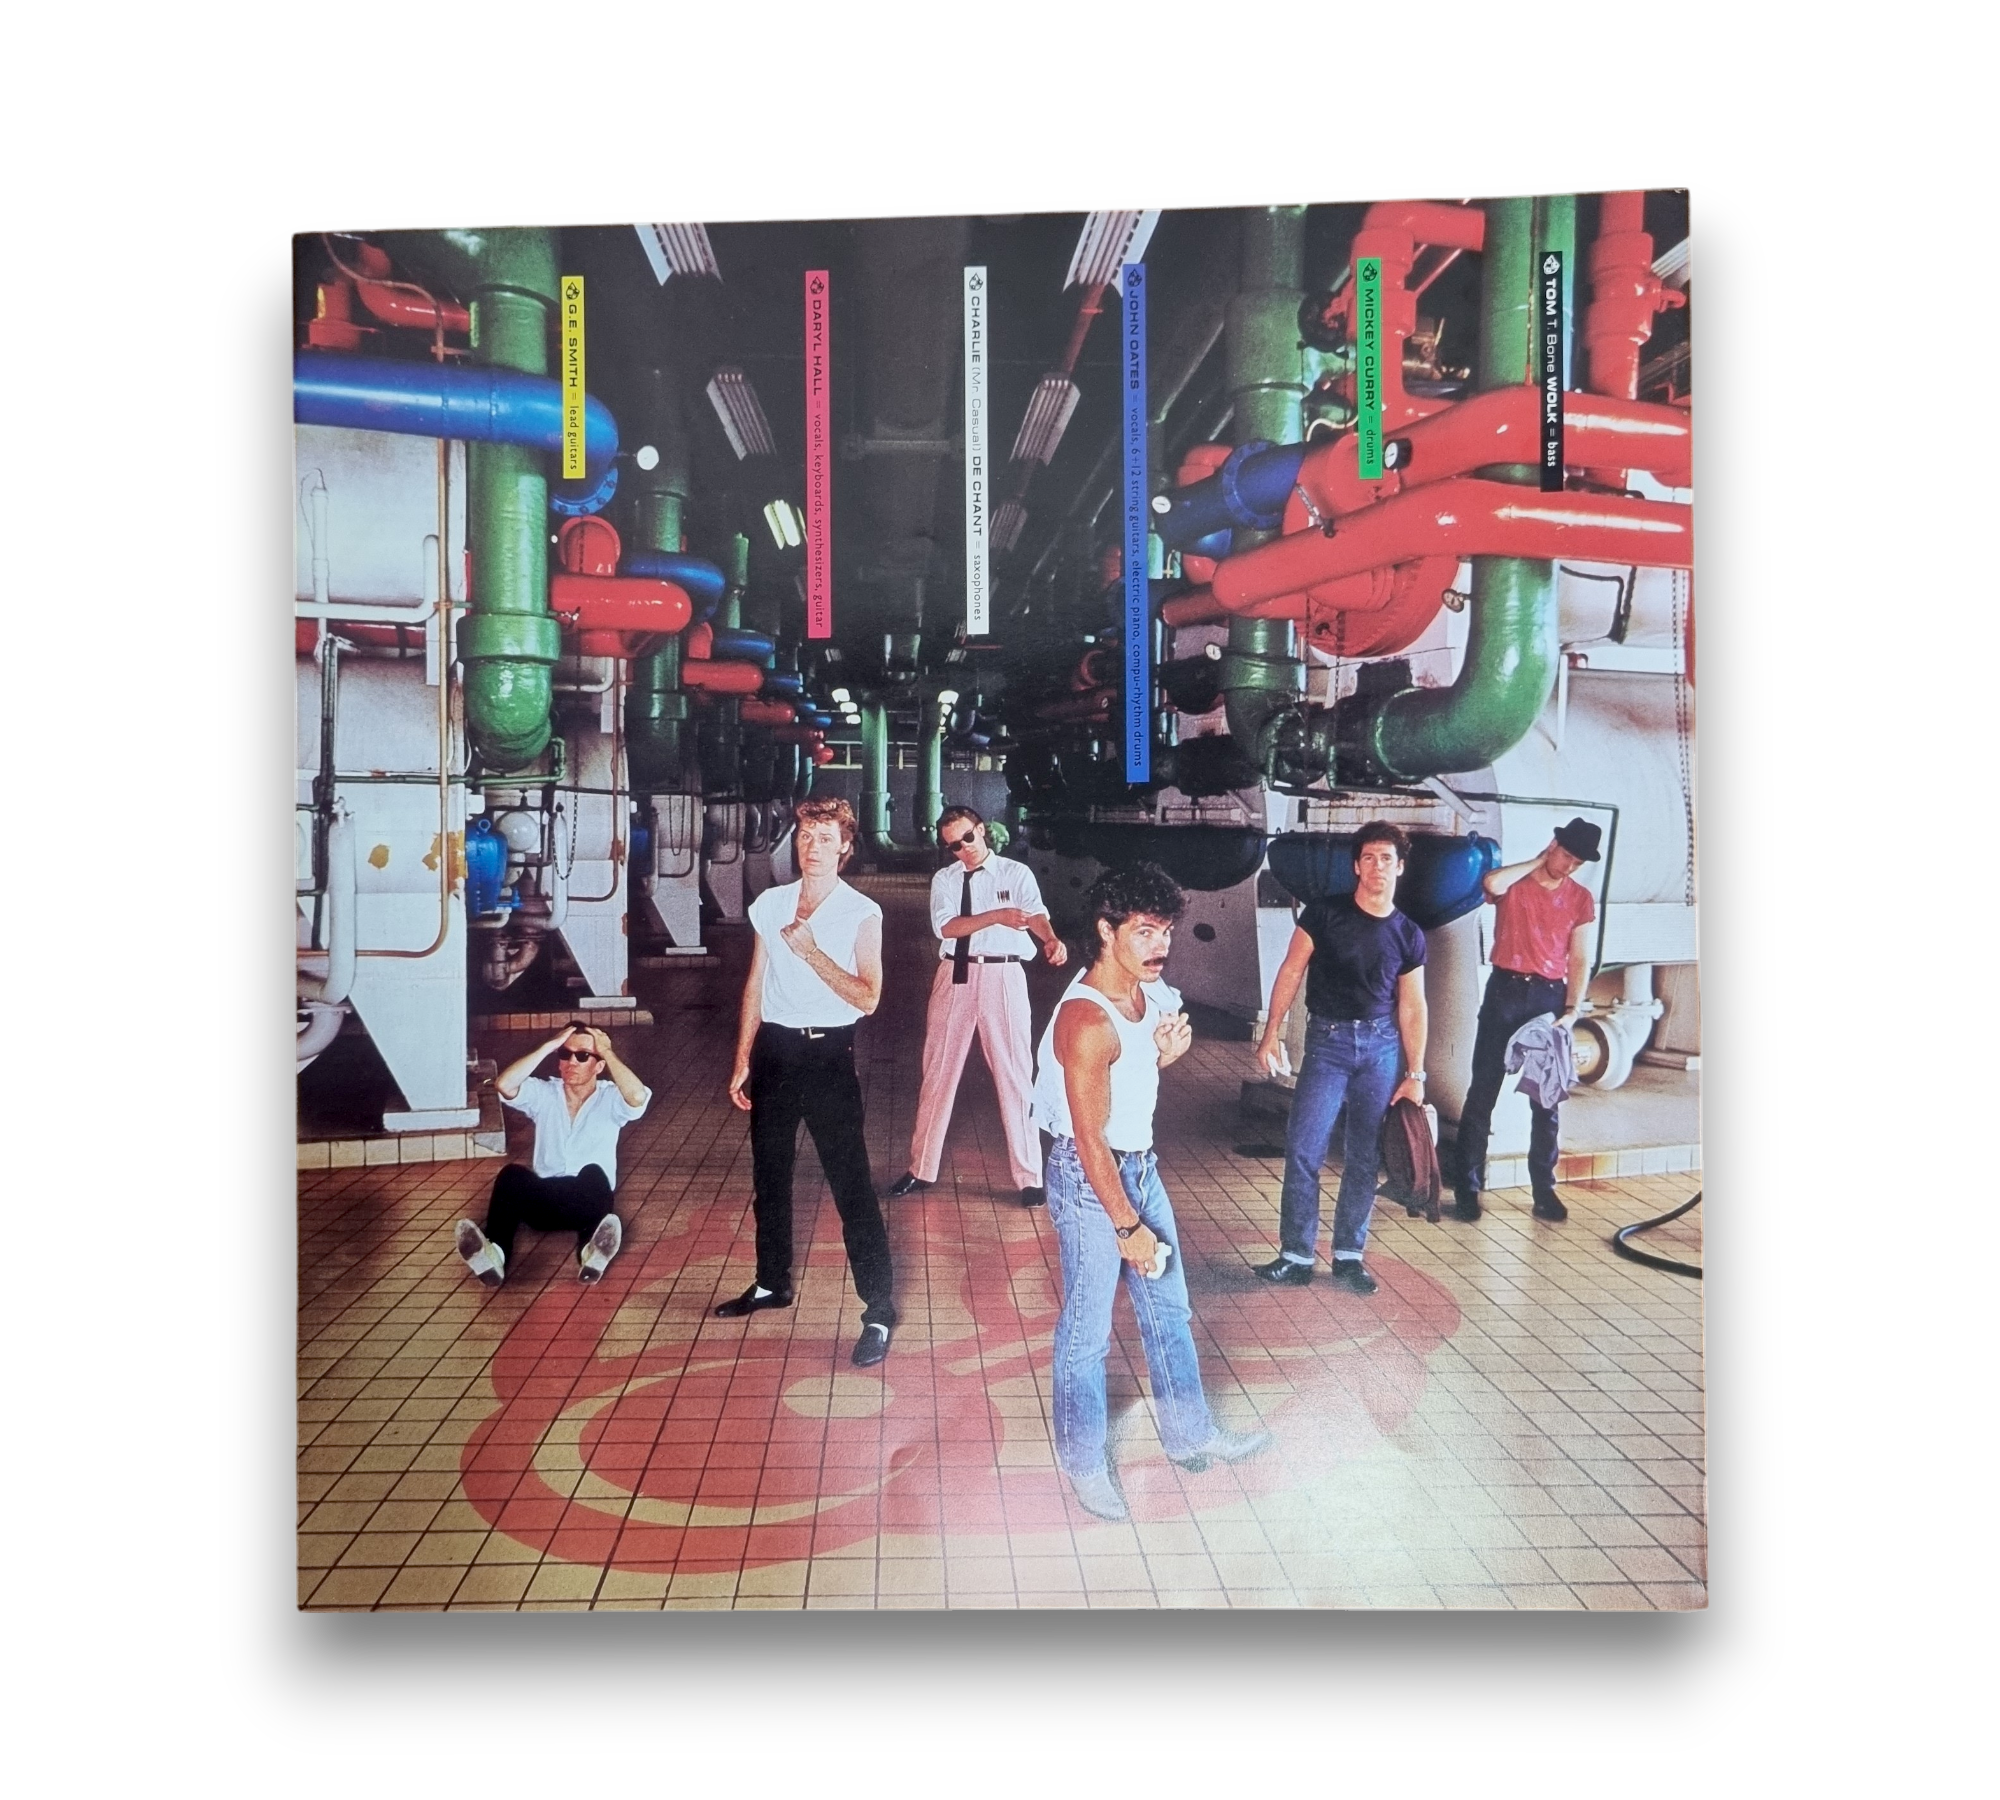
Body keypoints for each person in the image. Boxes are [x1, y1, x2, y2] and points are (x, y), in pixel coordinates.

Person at [1031, 861, 1271, 1522]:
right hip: (1091, 1178)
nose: (1160, 945)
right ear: (1106, 931)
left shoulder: (1149, 991)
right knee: (1087, 1332)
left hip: (1139, 1166)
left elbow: (1134, 1071)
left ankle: (1191, 1436)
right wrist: (1127, 1227)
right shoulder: (1086, 1020)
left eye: (1165, 931)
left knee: (1169, 1311)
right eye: (1143, 931)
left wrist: (1164, 1054)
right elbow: (1088, 1138)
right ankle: (1083, 1462)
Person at [719, 797, 898, 1368]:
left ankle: (878, 1309)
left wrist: (814, 953)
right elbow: (755, 982)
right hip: (774, 1051)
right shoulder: (770, 903)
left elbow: (869, 998)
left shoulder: (861, 912)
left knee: (851, 1185)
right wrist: (743, 1056)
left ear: (845, 846)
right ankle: (771, 1282)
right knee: (768, 1176)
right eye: (804, 836)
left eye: (824, 838)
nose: (811, 847)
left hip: (827, 1056)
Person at [1250, 821, 1429, 1296]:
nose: (1377, 867)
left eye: (1386, 858)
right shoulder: (1324, 914)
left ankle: (1349, 1255)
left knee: (1364, 1156)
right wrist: (1271, 1034)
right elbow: (1291, 972)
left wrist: (1415, 1073)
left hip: (1381, 1048)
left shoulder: (1408, 934)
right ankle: (1296, 1256)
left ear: (1400, 867)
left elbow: (1413, 1006)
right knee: (1304, 1149)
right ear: (1356, 866)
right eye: (1369, 858)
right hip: (1327, 1043)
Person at [887, 805, 1068, 1208]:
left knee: (1015, 1075)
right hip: (955, 973)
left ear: (981, 830)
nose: (964, 848)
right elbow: (947, 927)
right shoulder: (946, 879)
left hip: (1004, 975)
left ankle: (1029, 1178)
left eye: (968, 837)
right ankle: (921, 1168)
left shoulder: (1015, 873)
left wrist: (1050, 939)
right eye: (954, 845)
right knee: (938, 1072)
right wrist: (997, 915)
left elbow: (1035, 914)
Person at [1452, 817, 1601, 1224]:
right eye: (1566, 855)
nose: (1569, 866)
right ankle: (1467, 1189)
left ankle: (1544, 1191)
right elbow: (1491, 883)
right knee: (1483, 1092)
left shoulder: (1580, 899)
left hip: (1548, 997)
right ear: (1553, 845)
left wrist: (1572, 1009)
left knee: (1546, 1100)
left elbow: (1580, 957)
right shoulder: (1516, 883)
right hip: (1505, 989)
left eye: (1578, 862)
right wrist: (1538, 862)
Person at [454, 1022, 651, 1287]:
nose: (571, 1062)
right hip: (545, 1202)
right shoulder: (545, 1092)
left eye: (583, 1056)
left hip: (586, 1200)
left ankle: (591, 1253)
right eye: (565, 1054)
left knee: (595, 1174)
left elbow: (637, 1096)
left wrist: (606, 1050)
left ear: (599, 1066)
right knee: (511, 1176)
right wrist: (549, 1046)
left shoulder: (612, 1099)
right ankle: (494, 1255)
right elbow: (504, 1084)